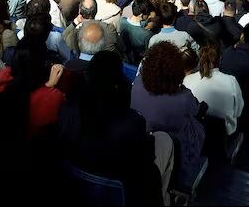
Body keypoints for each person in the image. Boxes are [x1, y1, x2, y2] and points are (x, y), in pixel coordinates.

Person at [59, 51, 174, 206]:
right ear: (117, 83)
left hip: (79, 185)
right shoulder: (131, 122)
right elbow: (144, 168)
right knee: (164, 141)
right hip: (120, 190)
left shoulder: (67, 110)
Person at [130, 42, 206, 190]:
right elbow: (196, 111)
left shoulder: (137, 83)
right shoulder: (184, 97)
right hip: (173, 153)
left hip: (140, 143)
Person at [183, 43, 244, 138]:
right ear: (220, 59)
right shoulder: (231, 81)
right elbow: (238, 111)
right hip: (222, 139)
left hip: (194, 136)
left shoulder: (187, 80)